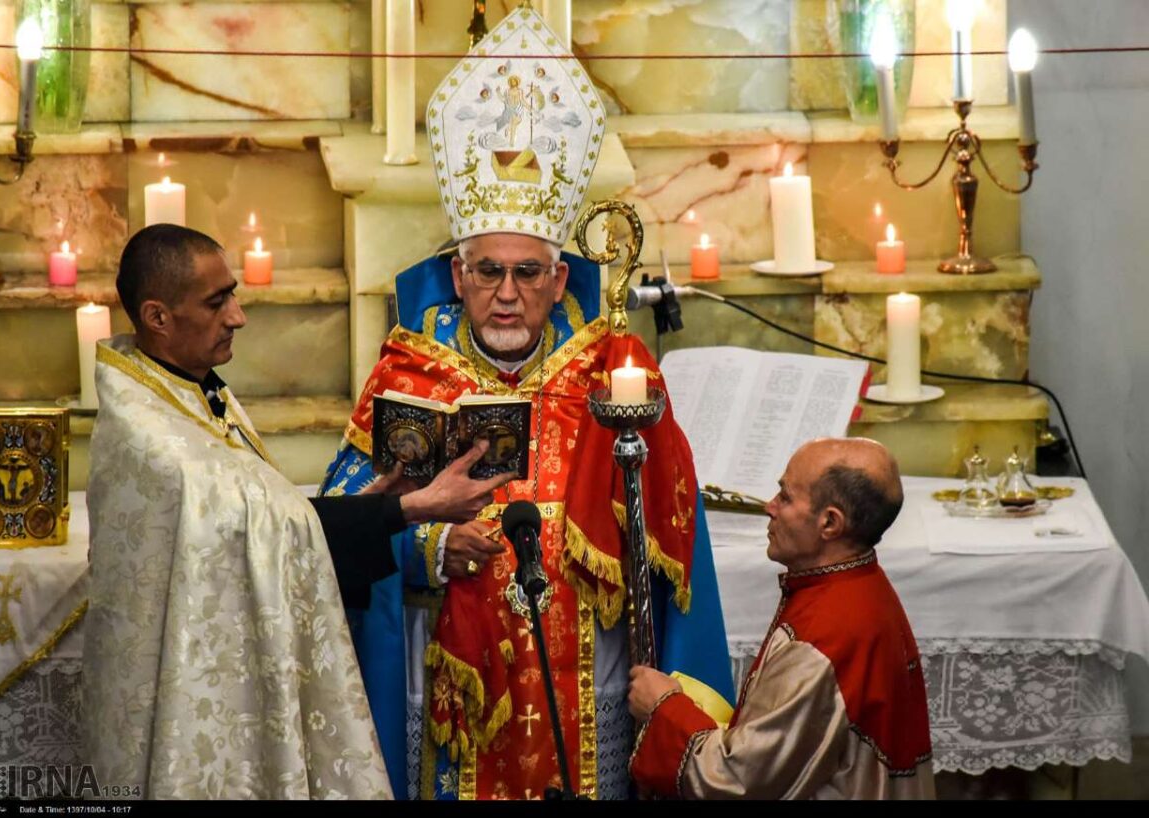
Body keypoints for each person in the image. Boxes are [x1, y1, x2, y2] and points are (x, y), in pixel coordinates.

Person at [318, 5, 734, 801]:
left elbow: (671, 531)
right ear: (458, 271)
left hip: (586, 675)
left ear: (558, 277)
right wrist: (430, 551)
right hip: (452, 683)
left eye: (527, 273)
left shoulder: (612, 375)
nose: (506, 295)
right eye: (487, 272)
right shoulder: (410, 374)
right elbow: (346, 517)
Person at [83, 225, 507, 799]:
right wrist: (416, 509)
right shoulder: (151, 436)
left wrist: (375, 505)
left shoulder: (185, 387)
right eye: (217, 302)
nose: (239, 316)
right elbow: (254, 533)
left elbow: (263, 524)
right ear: (158, 317)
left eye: (234, 294)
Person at [627, 438, 935, 800]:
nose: (770, 508)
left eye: (785, 497)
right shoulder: (858, 587)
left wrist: (663, 707)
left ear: (829, 523)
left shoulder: (827, 636)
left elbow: (737, 778)